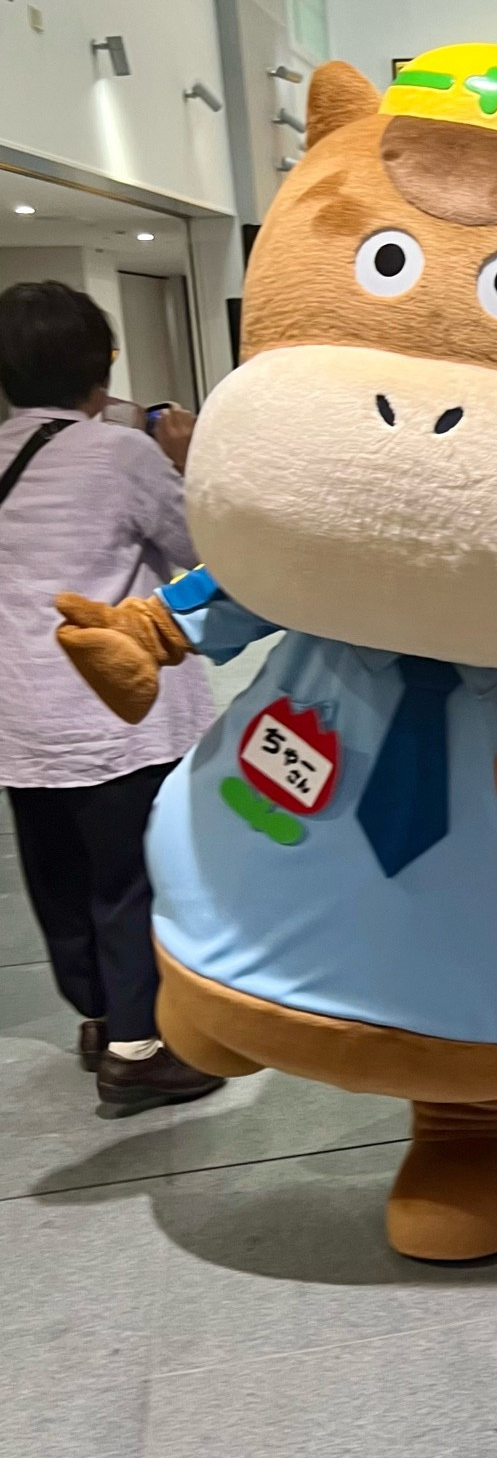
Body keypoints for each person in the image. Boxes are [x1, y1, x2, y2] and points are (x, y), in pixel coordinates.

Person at [0, 281, 223, 1109]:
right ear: (101, 366)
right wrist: (184, 455)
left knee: (56, 873)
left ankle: (98, 1015)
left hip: (18, 715)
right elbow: (202, 548)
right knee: (130, 874)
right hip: (111, 706)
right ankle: (141, 1045)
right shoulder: (122, 453)